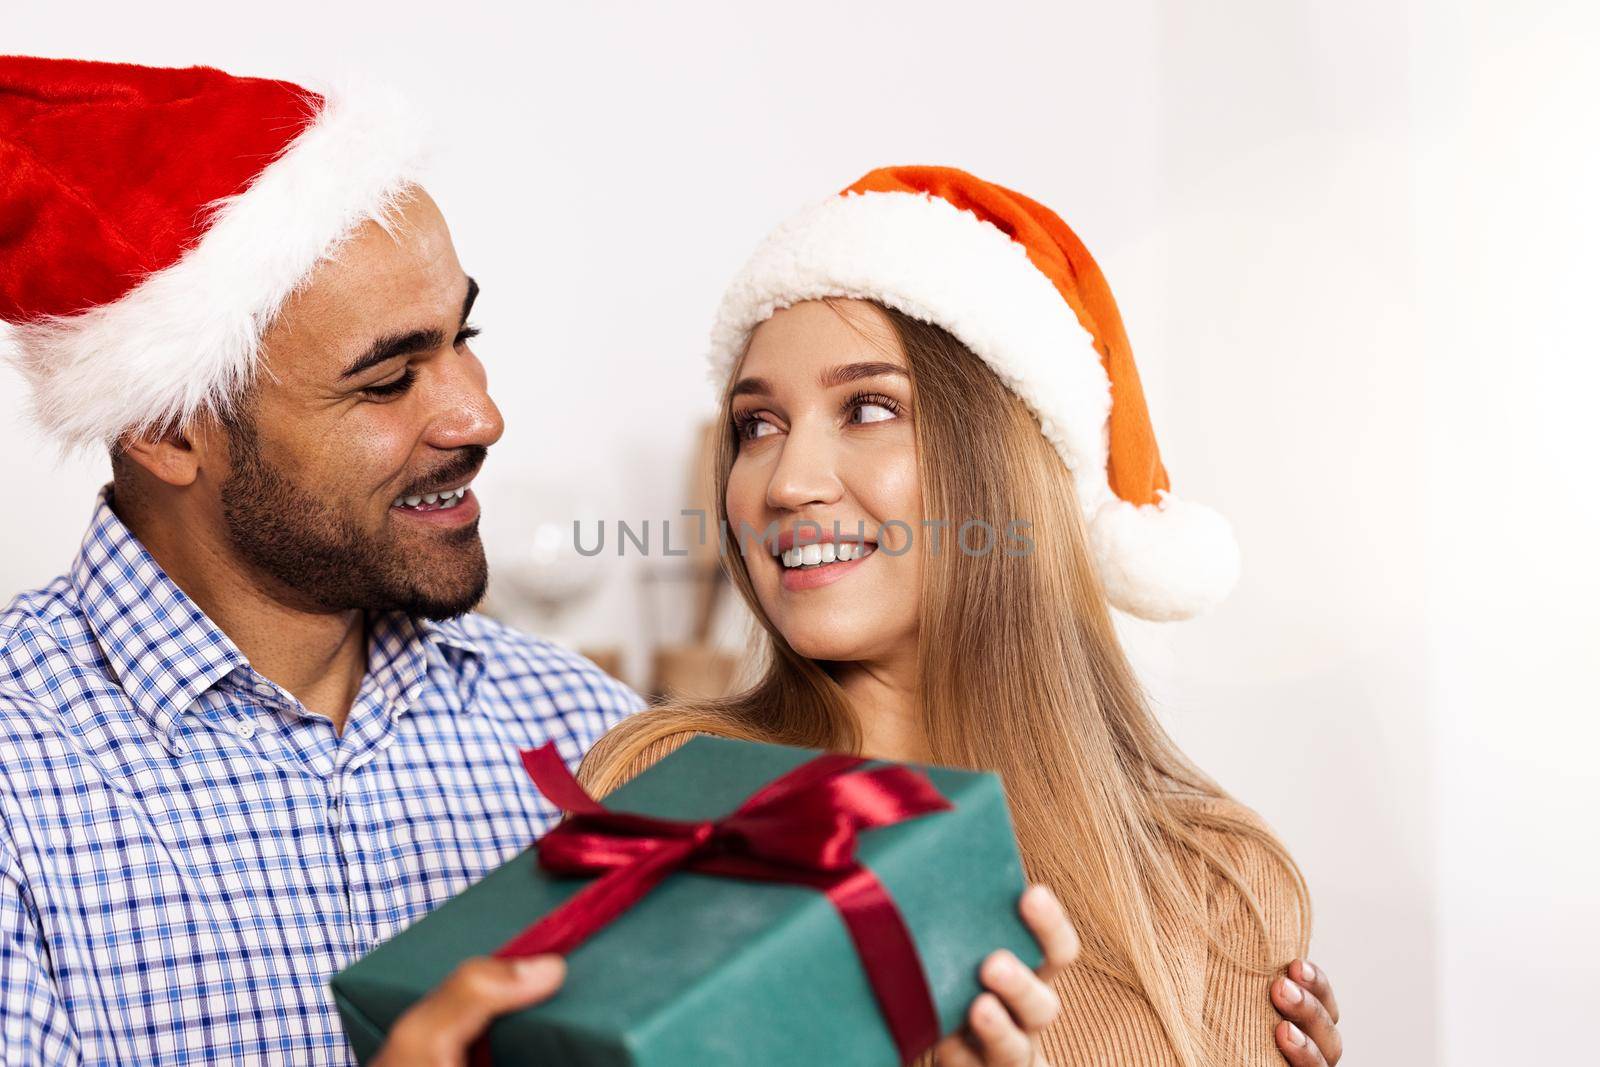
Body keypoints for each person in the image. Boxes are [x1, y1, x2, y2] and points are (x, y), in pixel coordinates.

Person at [577, 167, 1344, 1066]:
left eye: (867, 408)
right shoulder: (673, 788)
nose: (786, 482)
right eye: (757, 425)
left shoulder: (1220, 880)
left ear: (1003, 464)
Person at [0, 57, 637, 1064]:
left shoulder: (584, 730)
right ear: (166, 432)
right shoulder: (18, 784)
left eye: (462, 335)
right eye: (388, 381)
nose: (480, 413)